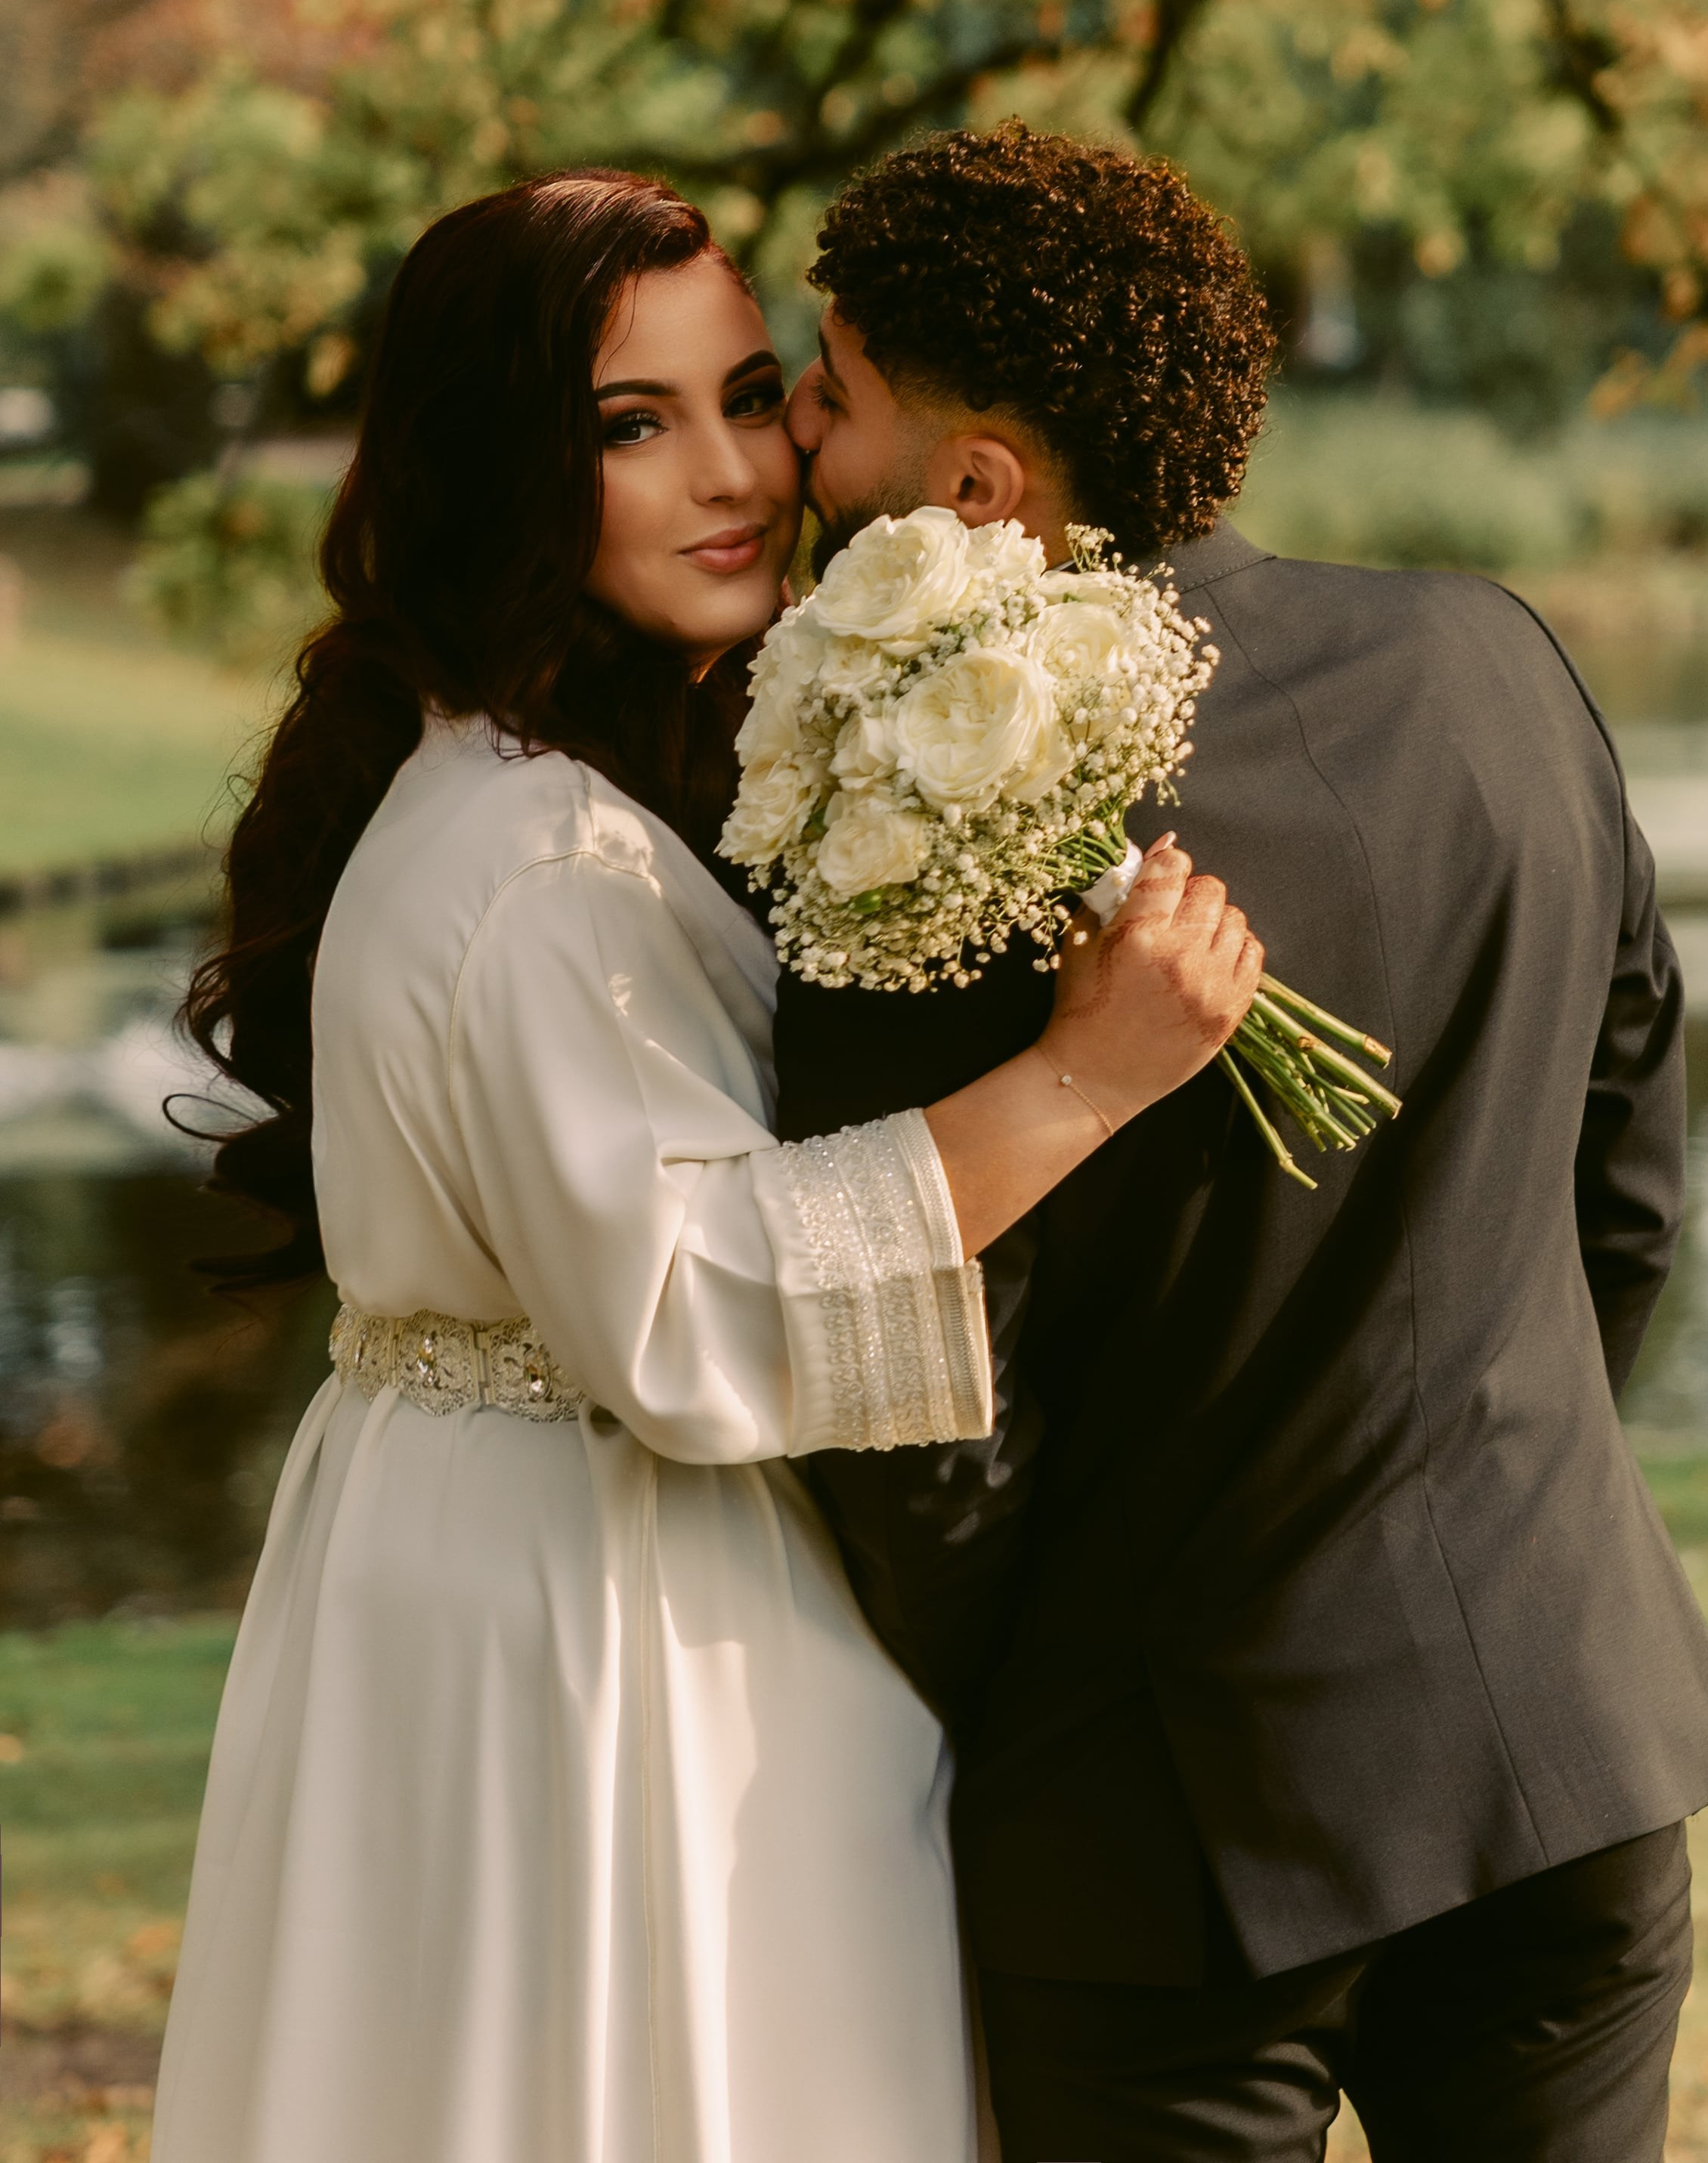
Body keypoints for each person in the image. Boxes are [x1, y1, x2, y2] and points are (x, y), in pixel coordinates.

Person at [149, 166, 1261, 2163]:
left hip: (484, 1553)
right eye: (632, 426)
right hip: (588, 1594)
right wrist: (1086, 1083)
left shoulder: (525, 778)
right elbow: (689, 1303)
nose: (737, 472)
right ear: (504, 461)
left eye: (755, 397)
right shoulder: (541, 864)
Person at [773, 121, 1708, 2163]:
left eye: (830, 383)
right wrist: (1504, 1483)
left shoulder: (916, 832)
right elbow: (1632, 1164)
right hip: (1563, 1737)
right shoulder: (1497, 654)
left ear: (977, 488)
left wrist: (1017, 1688)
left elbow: (913, 1359)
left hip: (1162, 1819)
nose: (791, 431)